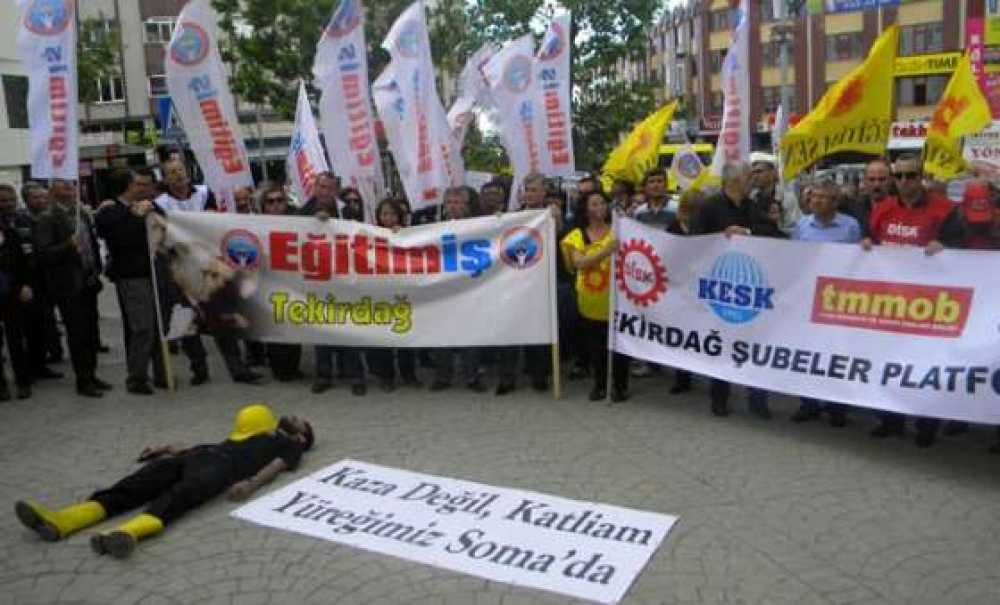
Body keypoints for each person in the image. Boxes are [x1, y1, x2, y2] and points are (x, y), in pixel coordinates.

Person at [15, 403, 314, 559]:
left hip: (222, 469)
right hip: (202, 454)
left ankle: (128, 533)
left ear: (302, 437)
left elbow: (276, 466)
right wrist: (169, 448)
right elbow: (215, 443)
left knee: (177, 497)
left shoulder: (288, 445)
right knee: (133, 486)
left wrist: (252, 484)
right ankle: (63, 520)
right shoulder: (258, 429)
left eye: (301, 420)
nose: (294, 416)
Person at [863, 153, 964, 447]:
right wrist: (866, 244)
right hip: (891, 304)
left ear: (921, 177)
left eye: (911, 175)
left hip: (929, 306)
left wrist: (946, 246)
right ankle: (891, 420)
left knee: (924, 367)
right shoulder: (882, 209)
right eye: (900, 176)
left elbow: (961, 251)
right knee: (889, 363)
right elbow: (872, 241)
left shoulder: (944, 210)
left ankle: (926, 424)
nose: (905, 182)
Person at [690, 162, 772, 418]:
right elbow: (694, 241)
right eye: (750, 176)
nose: (754, 180)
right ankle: (719, 397)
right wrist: (721, 235)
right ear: (736, 180)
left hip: (751, 288)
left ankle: (758, 399)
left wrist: (747, 231)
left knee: (756, 344)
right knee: (723, 343)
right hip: (721, 287)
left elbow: (772, 231)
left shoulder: (751, 206)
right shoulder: (709, 207)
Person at [789, 179, 862, 427]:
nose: (815, 201)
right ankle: (808, 403)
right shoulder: (801, 226)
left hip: (837, 301)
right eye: (813, 197)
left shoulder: (850, 227)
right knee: (807, 353)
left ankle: (837, 407)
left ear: (835, 201)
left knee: (835, 354)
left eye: (821, 197)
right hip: (808, 300)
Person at [33, 180, 111, 398]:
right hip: (68, 285)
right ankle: (83, 380)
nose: (70, 189)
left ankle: (92, 374)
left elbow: (92, 244)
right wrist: (68, 245)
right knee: (77, 334)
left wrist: (96, 267)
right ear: (53, 191)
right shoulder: (47, 218)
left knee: (90, 332)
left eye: (72, 185)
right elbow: (44, 254)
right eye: (64, 186)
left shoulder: (81, 213)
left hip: (88, 280)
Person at [300, 172, 366, 396]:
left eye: (329, 187)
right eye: (321, 186)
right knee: (322, 329)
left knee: (347, 328)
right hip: (317, 279)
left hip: (344, 277)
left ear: (336, 191)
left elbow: (363, 236)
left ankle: (355, 375)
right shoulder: (302, 213)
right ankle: (323, 375)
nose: (324, 191)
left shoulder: (349, 212)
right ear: (315, 188)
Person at [95, 168, 160, 395]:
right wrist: (135, 215)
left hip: (152, 274)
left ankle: (159, 372)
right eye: (138, 184)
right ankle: (137, 377)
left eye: (146, 185)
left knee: (155, 325)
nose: (143, 189)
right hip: (132, 277)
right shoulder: (111, 210)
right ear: (128, 186)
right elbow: (120, 238)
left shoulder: (147, 204)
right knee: (142, 327)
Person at [561, 191, 629, 402]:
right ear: (585, 209)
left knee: (619, 345)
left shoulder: (618, 231)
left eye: (602, 203)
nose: (600, 207)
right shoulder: (577, 235)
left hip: (617, 297)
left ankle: (619, 385)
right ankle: (600, 383)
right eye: (594, 203)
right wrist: (606, 251)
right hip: (591, 299)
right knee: (596, 345)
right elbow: (579, 262)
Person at [152, 161, 211, 386]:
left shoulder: (205, 194)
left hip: (209, 265)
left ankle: (238, 366)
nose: (178, 175)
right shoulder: (160, 204)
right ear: (165, 180)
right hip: (179, 269)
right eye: (172, 172)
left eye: (180, 170)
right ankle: (199, 366)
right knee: (186, 318)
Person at [430, 187, 486, 393]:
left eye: (457, 202)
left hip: (469, 288)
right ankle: (442, 375)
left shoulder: (478, 227)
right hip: (443, 289)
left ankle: (472, 376)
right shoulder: (432, 229)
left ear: (466, 205)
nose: (453, 206)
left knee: (470, 334)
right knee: (441, 334)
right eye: (450, 202)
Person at [3, 183, 61, 383]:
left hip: (33, 280)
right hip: (8, 284)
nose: (8, 204)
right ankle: (22, 374)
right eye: (3, 201)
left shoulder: (24, 220)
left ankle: (39, 365)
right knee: (15, 334)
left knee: (37, 326)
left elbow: (38, 247)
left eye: (11, 200)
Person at [367, 198, 422, 391]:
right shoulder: (370, 235)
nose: (388, 218)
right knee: (383, 336)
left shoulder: (411, 235)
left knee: (405, 334)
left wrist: (402, 238)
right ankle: (386, 376)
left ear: (399, 215)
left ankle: (409, 373)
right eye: (384, 214)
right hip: (381, 292)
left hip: (403, 292)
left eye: (392, 214)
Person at [258, 184, 304, 382]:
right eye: (270, 201)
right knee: (274, 325)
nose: (275, 205)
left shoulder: (298, 222)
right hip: (268, 282)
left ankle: (293, 367)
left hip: (292, 281)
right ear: (263, 205)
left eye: (279, 200)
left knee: (293, 322)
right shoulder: (255, 224)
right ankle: (278, 369)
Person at [664, 189, 701, 395]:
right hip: (679, 286)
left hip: (699, 286)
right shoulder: (674, 227)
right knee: (681, 333)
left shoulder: (705, 227)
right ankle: (682, 377)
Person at [0, 184, 34, 400]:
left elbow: (21, 263)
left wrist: (24, 285)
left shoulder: (10, 232)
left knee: (16, 338)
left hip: (11, 291)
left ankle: (22, 381)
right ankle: (1, 386)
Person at [844, 158, 893, 237]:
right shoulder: (853, 209)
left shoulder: (902, 207)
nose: (877, 184)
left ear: (890, 181)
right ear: (864, 181)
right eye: (872, 179)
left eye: (882, 179)